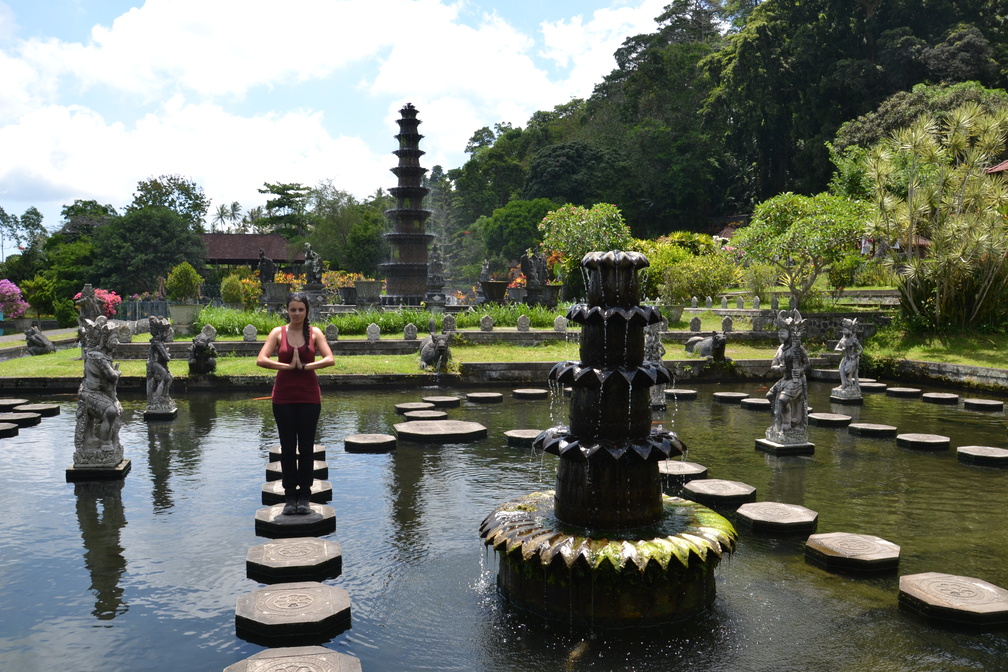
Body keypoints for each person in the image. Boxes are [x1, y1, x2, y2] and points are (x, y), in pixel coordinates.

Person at [256, 292, 335, 515]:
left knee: (307, 448)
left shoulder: (315, 333)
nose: (297, 313)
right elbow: (261, 359)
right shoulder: (278, 333)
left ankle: (305, 496)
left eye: (301, 309)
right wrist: (287, 367)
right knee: (288, 448)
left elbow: (330, 359)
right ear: (287, 310)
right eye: (293, 309)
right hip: (283, 398)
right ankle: (290, 496)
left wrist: (305, 367)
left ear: (306, 311)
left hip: (309, 397)